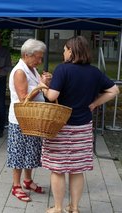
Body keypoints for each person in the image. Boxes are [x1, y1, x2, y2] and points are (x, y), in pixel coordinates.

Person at [40, 36, 120, 213]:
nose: (63, 52)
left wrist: (42, 85)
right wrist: (95, 103)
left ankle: (58, 207)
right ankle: (74, 208)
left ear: (71, 51)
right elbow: (114, 90)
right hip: (83, 127)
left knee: (58, 169)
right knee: (77, 169)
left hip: (60, 127)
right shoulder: (94, 72)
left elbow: (52, 97)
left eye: (64, 49)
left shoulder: (63, 69)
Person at [7, 38, 51, 202]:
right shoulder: (20, 71)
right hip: (21, 119)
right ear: (27, 55)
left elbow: (39, 90)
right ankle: (16, 185)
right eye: (38, 57)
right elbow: (23, 98)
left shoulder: (31, 69)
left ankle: (28, 180)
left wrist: (44, 83)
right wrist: (40, 86)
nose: (40, 61)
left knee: (32, 151)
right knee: (19, 153)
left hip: (32, 118)